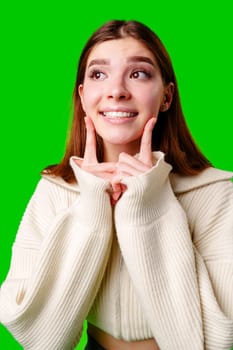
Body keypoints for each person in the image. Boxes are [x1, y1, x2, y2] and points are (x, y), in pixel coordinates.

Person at [0, 19, 232, 350]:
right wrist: (92, 210)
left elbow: (217, 340)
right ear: (82, 97)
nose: (117, 90)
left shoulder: (216, 193)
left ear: (166, 96)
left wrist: (149, 208)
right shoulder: (55, 189)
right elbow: (38, 337)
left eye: (138, 74)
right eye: (98, 74)